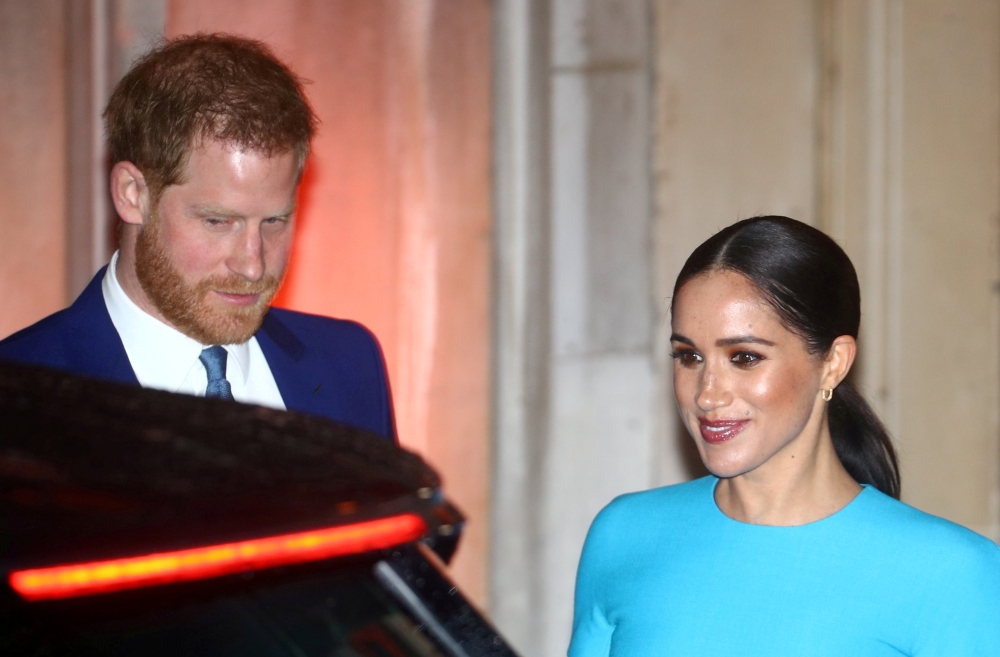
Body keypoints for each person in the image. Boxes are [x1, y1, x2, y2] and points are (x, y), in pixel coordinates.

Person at [569, 216, 1000, 655]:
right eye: (689, 356)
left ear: (833, 362)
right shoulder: (625, 534)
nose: (707, 394)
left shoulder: (954, 575)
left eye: (744, 357)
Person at [0, 34, 395, 441]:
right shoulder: (17, 398)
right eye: (218, 222)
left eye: (275, 221)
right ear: (132, 195)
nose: (252, 265)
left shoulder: (351, 365)